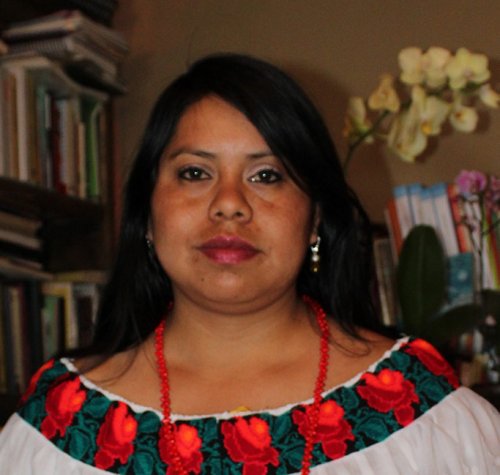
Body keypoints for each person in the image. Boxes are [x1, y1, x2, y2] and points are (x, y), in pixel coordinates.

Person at [0, 53, 499, 475]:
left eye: (266, 175)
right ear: (147, 214)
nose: (229, 204)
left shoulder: (423, 410)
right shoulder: (59, 427)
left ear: (314, 219)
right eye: (194, 173)